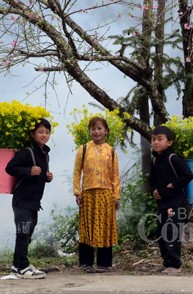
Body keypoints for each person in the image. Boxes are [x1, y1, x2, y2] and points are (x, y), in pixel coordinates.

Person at [5, 118, 54, 279]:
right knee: (23, 233)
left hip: (34, 202)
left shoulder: (45, 154)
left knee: (26, 233)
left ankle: (16, 265)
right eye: (40, 131)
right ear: (32, 134)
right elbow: (10, 168)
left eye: (47, 132)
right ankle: (24, 267)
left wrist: (47, 177)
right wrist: (28, 171)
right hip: (22, 200)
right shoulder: (27, 152)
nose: (44, 135)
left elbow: (38, 174)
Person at [72, 116, 121, 273]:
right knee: (87, 227)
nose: (96, 131)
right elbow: (76, 172)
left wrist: (116, 196)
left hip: (106, 194)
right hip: (88, 194)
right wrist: (77, 192)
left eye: (99, 128)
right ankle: (86, 263)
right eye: (93, 128)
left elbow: (115, 176)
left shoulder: (111, 151)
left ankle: (104, 263)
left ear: (106, 131)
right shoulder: (84, 149)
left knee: (105, 227)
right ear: (90, 131)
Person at [148, 124, 193, 275]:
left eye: (160, 139)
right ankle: (167, 263)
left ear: (169, 142)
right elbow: (152, 180)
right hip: (162, 203)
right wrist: (154, 190)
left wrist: (173, 184)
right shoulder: (155, 160)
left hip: (176, 203)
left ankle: (175, 265)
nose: (155, 142)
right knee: (162, 234)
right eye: (153, 139)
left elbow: (188, 175)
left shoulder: (172, 158)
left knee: (172, 233)